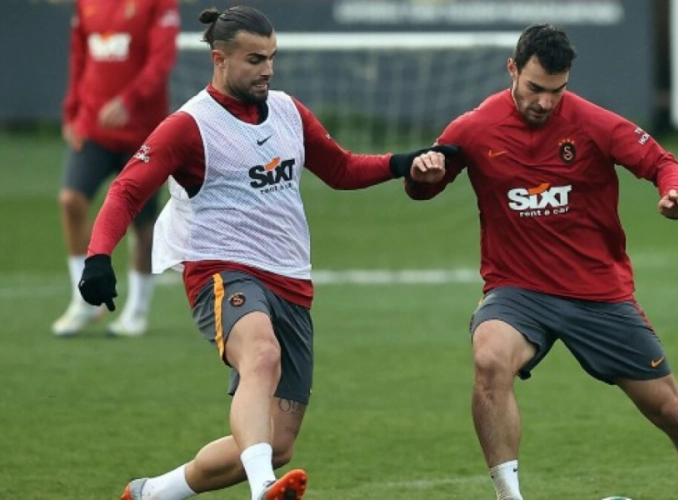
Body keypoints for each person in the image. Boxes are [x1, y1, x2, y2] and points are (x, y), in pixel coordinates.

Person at [77, 6, 456, 500]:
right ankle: (263, 490)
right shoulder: (189, 126)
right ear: (219, 59)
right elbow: (127, 190)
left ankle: (153, 493)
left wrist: (404, 162)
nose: (268, 69)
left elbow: (341, 169)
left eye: (272, 57)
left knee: (275, 443)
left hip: (290, 280)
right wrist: (98, 257)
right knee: (262, 354)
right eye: (255, 59)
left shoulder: (288, 111)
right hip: (221, 269)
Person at [403, 23, 678, 500]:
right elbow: (425, 186)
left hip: (598, 293)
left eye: (557, 91)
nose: (545, 102)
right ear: (512, 69)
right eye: (535, 88)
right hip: (518, 291)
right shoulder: (474, 128)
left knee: (669, 408)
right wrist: (422, 176)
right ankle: (509, 496)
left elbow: (662, 162)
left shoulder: (594, 123)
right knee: (489, 358)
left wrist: (674, 192)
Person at [53, 0, 180, 337]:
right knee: (70, 200)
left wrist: (129, 100)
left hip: (143, 132)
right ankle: (84, 300)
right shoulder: (86, 4)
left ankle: (136, 312)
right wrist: (71, 111)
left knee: (143, 226)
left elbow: (162, 59)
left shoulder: (159, 4)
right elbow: (79, 56)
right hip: (92, 126)